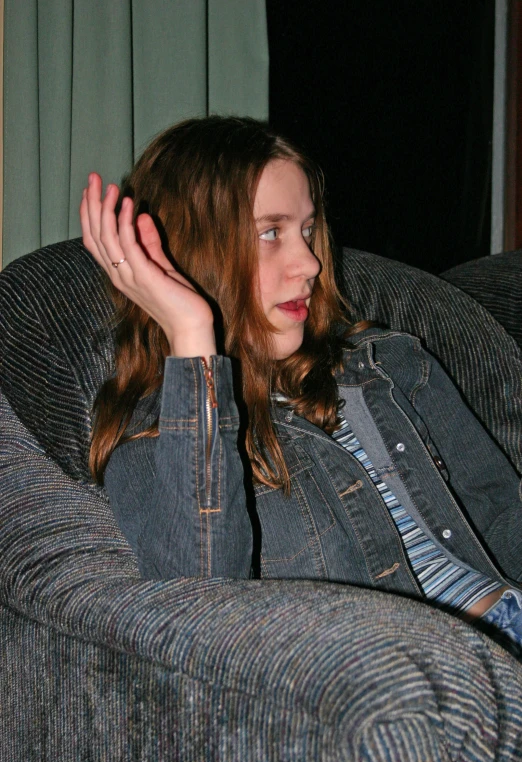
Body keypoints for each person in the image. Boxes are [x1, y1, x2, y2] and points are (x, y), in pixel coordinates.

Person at [80, 115, 522, 656]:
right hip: (426, 680)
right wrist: (192, 331)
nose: (309, 262)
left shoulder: (385, 362)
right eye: (271, 233)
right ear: (197, 251)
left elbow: (501, 513)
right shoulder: (160, 438)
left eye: (307, 230)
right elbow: (202, 618)